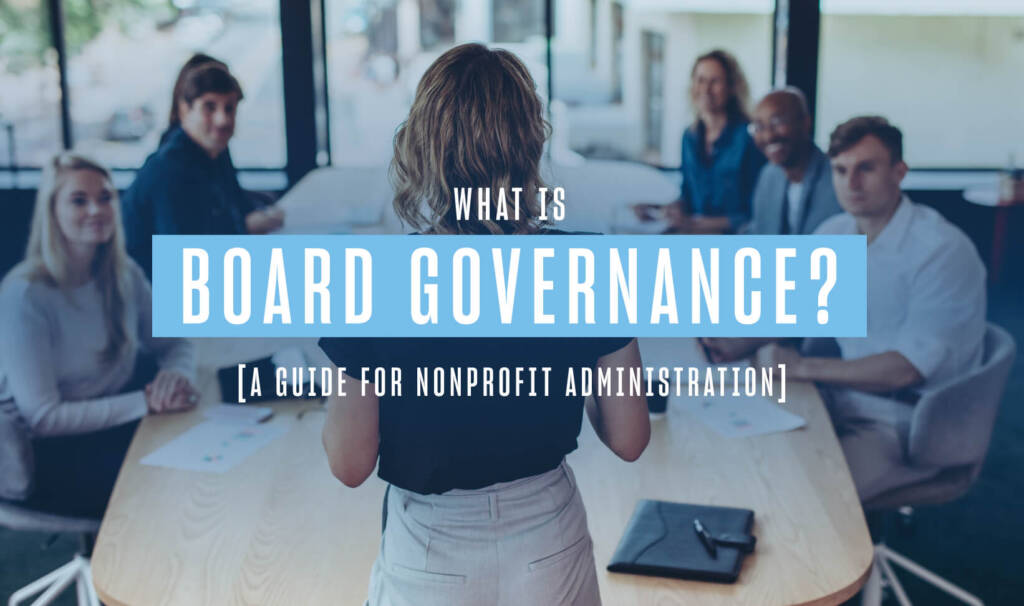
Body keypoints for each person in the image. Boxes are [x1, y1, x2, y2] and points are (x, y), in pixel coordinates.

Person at [318, 44, 650, 606]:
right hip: (550, 539)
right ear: (530, 145)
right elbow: (630, 437)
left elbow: (351, 464)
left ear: (423, 146)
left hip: (431, 550)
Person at [704, 117, 986, 501]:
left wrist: (801, 367)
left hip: (907, 422)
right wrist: (740, 342)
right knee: (737, 462)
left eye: (865, 168)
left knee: (800, 502)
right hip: (837, 397)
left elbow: (905, 369)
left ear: (898, 172)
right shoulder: (835, 231)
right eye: (840, 170)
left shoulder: (941, 251)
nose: (851, 183)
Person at [0, 153, 199, 518]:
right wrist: (147, 402)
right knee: (172, 485)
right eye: (79, 200)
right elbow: (43, 417)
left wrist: (176, 376)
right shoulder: (24, 296)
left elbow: (176, 342)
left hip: (110, 422)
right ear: (52, 211)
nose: (96, 209)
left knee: (198, 446)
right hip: (46, 453)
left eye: (105, 197)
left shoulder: (124, 275)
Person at [122, 57, 283, 278]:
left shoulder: (212, 152)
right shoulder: (170, 170)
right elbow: (186, 267)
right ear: (184, 110)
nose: (222, 120)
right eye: (209, 107)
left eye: (230, 109)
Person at [636, 49, 765, 234]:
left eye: (715, 81)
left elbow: (755, 213)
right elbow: (688, 196)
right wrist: (659, 209)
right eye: (700, 80)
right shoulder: (689, 138)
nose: (705, 89)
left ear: (731, 87)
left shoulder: (749, 139)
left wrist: (698, 224)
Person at [747, 88, 841, 234]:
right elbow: (757, 232)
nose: (768, 136)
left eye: (777, 122)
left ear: (805, 123)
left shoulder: (838, 178)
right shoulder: (768, 176)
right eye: (759, 127)